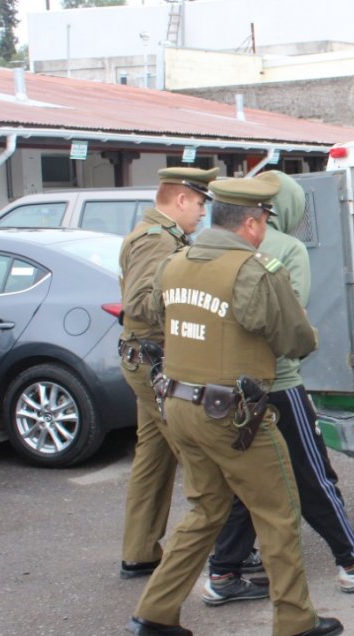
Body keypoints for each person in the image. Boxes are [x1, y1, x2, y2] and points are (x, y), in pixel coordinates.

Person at [126, 177, 341, 636]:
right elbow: (294, 340)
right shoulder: (256, 269)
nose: (264, 229)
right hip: (234, 415)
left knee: (206, 510)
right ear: (251, 223)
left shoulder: (174, 262)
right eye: (263, 220)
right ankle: (296, 620)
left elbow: (150, 316)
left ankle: (154, 614)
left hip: (179, 405)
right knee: (278, 512)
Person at [207, 171, 354, 594]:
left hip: (224, 387)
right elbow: (289, 316)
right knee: (312, 473)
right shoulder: (287, 249)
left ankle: (223, 571)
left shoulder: (207, 247)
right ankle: (352, 560)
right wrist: (304, 345)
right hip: (278, 383)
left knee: (246, 477)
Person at [117, 167, 263, 592]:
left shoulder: (156, 235)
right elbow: (140, 306)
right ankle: (225, 555)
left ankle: (140, 552)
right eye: (199, 204)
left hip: (146, 362)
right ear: (181, 199)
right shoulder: (158, 240)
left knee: (154, 459)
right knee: (205, 464)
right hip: (157, 362)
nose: (202, 213)